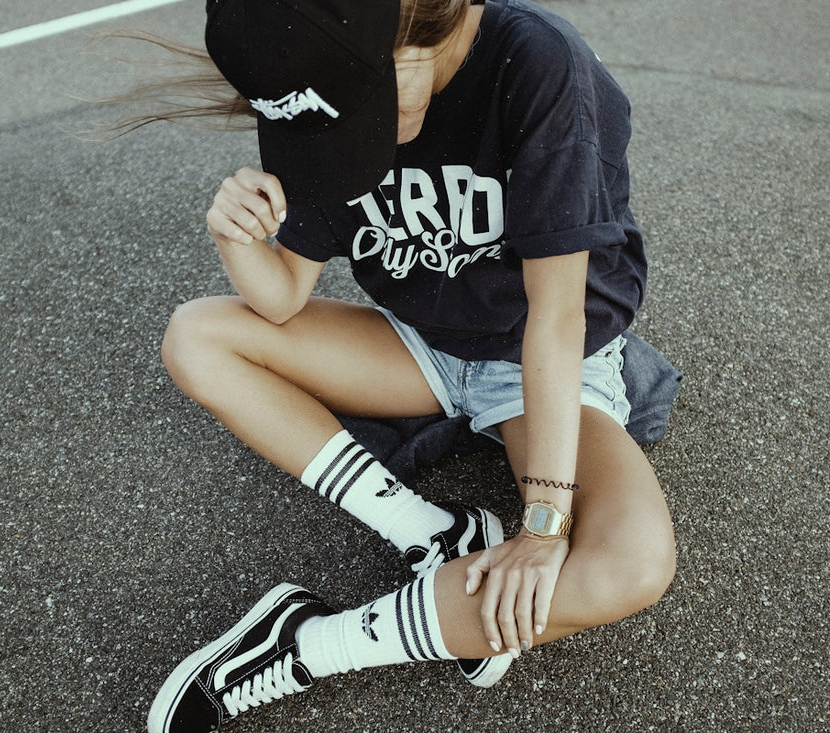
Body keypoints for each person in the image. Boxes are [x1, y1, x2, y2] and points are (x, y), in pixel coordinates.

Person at [140, 0, 677, 730]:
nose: (354, 140)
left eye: (366, 107)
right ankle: (432, 533)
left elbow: (556, 317)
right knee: (196, 335)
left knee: (633, 560)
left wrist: (542, 527)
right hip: (419, 342)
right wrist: (236, 238)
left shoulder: (537, 64)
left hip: (536, 359)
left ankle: (308, 645)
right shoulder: (325, 80)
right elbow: (285, 293)